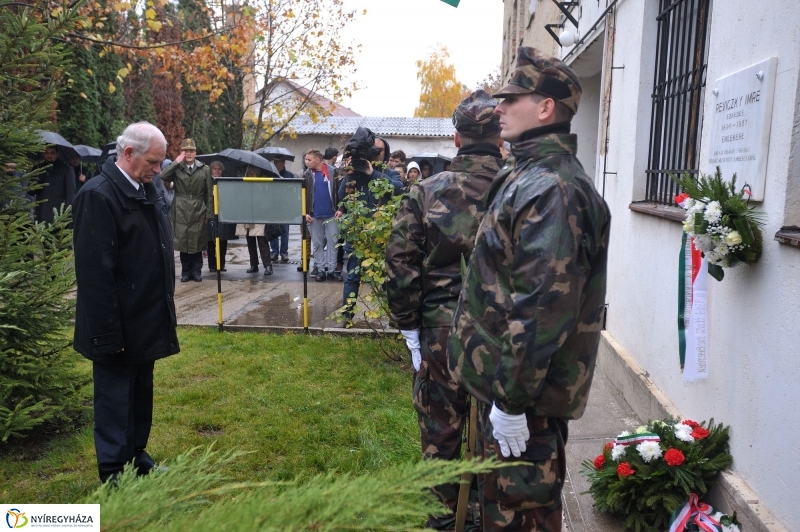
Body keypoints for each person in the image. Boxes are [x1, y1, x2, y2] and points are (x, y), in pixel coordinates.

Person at [448, 47, 611, 531]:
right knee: (499, 507)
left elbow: (541, 310)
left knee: (521, 516)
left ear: (545, 108)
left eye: (511, 97)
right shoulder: (526, 173)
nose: (498, 107)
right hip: (506, 387)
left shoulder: (553, 189)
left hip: (524, 401)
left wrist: (512, 403)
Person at [386, 89, 505, 532]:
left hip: (441, 332)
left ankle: (442, 519)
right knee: (501, 431)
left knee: (440, 430)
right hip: (503, 335)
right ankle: (488, 515)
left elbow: (400, 264)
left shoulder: (426, 192)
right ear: (500, 138)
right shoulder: (521, 189)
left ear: (456, 138)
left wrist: (409, 328)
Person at [72, 121, 179, 484]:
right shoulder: (99, 196)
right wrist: (106, 334)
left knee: (139, 394)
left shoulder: (149, 188)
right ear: (128, 153)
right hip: (115, 324)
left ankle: (136, 456)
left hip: (146, 316)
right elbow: (94, 275)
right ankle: (114, 472)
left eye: (161, 162)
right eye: (153, 161)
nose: (158, 169)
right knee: (115, 400)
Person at [336, 128, 404, 321]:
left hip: (382, 236)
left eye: (379, 150)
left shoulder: (390, 173)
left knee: (386, 279)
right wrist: (349, 172)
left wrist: (372, 173)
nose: (375, 152)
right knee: (352, 277)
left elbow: (399, 191)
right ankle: (346, 315)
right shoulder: (354, 174)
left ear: (386, 154)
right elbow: (341, 198)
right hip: (359, 235)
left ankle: (391, 318)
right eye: (372, 148)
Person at [160, 139, 213, 282]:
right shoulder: (177, 167)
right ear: (182, 153)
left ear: (195, 153)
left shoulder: (205, 169)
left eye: (191, 151)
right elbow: (163, 176)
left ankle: (196, 271)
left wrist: (208, 213)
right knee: (183, 241)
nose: (188, 153)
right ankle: (185, 271)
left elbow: (209, 193)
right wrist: (176, 162)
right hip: (181, 208)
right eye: (185, 151)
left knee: (197, 241)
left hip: (198, 208)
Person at [303, 150, 339, 282]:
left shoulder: (332, 171)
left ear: (317, 160)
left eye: (309, 159)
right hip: (314, 214)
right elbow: (302, 195)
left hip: (332, 213)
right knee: (317, 244)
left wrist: (340, 208)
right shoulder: (306, 175)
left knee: (333, 242)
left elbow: (339, 191)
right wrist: (304, 212)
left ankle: (332, 269)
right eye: (306, 159)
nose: (306, 162)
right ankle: (321, 269)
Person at [235, 165, 276, 276]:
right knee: (250, 241)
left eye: (254, 173)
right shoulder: (244, 184)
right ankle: (254, 265)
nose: (252, 174)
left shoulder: (262, 184)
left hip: (259, 215)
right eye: (250, 173)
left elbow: (267, 200)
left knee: (262, 241)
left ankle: (268, 265)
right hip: (247, 215)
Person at [206, 161, 237, 272]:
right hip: (210, 213)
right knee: (211, 240)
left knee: (222, 240)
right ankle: (212, 265)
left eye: (219, 169)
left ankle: (221, 264)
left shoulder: (225, 181)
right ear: (211, 170)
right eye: (215, 169)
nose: (217, 171)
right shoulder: (207, 181)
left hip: (222, 213)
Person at [32, 145, 76, 224]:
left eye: (52, 153)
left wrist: (67, 215)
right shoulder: (38, 169)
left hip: (58, 213)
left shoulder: (66, 169)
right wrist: (35, 182)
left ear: (57, 153)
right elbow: (31, 192)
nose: (49, 155)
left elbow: (70, 193)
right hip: (41, 213)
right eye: (46, 153)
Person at [269, 155, 295, 263]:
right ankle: (274, 252)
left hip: (285, 206)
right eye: (274, 162)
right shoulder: (270, 174)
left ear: (283, 162)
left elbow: (293, 190)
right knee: (272, 230)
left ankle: (284, 253)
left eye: (278, 162)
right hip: (272, 205)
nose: (276, 164)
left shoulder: (289, 175)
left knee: (285, 230)